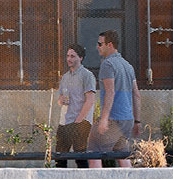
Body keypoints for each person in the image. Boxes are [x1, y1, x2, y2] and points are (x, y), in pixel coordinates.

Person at [86, 31, 141, 169]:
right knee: (121, 152)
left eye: (100, 44)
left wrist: (104, 119)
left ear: (109, 45)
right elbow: (136, 94)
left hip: (113, 119)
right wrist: (137, 121)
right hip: (127, 119)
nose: (97, 47)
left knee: (93, 149)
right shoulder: (128, 66)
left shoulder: (107, 64)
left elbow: (110, 92)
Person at [56, 43, 96, 168]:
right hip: (65, 121)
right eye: (68, 56)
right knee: (60, 158)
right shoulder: (65, 77)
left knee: (80, 158)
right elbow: (59, 100)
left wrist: (79, 121)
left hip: (80, 122)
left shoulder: (87, 75)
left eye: (73, 56)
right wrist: (61, 100)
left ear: (81, 58)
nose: (69, 59)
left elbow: (90, 100)